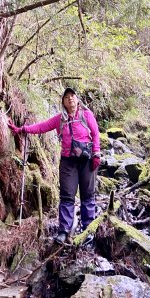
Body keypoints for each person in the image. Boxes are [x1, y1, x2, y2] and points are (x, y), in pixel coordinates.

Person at [8, 87, 101, 244]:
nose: (70, 98)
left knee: (88, 195)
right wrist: (22, 129)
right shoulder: (60, 119)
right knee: (66, 195)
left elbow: (96, 133)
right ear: (63, 102)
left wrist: (97, 153)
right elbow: (42, 127)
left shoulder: (86, 114)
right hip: (68, 161)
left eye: (73, 96)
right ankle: (64, 231)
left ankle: (88, 230)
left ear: (77, 99)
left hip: (87, 159)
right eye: (67, 97)